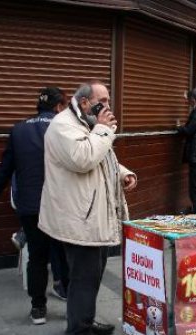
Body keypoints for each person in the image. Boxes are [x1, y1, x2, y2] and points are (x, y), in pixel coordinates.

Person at [39, 81, 138, 335]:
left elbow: (104, 158)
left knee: (90, 278)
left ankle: (84, 320)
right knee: (84, 279)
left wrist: (123, 174)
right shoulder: (62, 126)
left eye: (108, 100)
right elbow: (83, 159)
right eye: (102, 101)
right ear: (84, 103)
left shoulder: (89, 124)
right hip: (80, 220)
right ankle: (79, 330)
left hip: (94, 217)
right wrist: (104, 130)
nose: (107, 106)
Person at [0, 87, 68, 325]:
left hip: (30, 206)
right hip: (62, 205)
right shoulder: (66, 127)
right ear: (59, 106)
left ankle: (38, 309)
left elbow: (5, 169)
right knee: (66, 254)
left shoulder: (19, 130)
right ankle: (72, 303)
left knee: (37, 258)